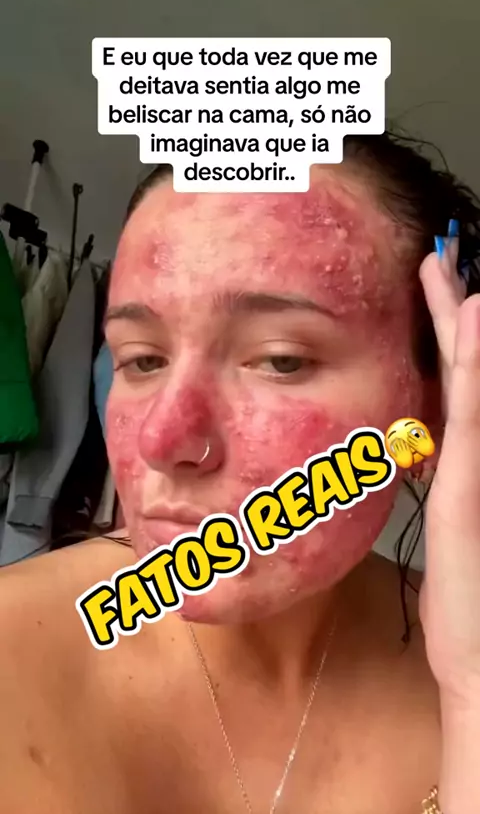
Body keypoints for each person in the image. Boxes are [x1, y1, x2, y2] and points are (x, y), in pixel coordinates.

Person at [0, 133, 479, 814]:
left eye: (280, 359)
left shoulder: (462, 652)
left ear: (436, 402)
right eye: (141, 359)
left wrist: (471, 686)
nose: (162, 440)